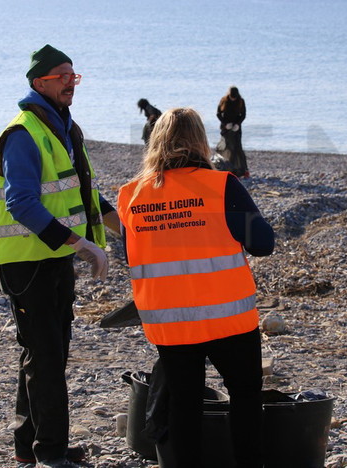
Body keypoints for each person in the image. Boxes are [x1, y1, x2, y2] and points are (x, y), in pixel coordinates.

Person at [0, 44, 120, 468]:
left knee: (46, 354)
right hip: (27, 264)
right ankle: (50, 454)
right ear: (38, 82)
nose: (70, 83)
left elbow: (83, 191)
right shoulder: (23, 133)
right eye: (62, 76)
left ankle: (31, 448)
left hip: (54, 261)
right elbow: (21, 203)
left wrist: (126, 230)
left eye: (74, 76)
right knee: (46, 358)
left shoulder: (63, 127)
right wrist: (79, 244)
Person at [117, 107, 274, 468]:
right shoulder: (221, 186)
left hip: (170, 322)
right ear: (200, 141)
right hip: (228, 317)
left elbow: (132, 255)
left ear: (156, 141)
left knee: (184, 404)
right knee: (245, 397)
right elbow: (263, 243)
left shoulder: (131, 196)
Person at [216, 86, 248, 178]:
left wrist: (238, 124)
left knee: (237, 147)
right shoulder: (223, 100)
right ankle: (225, 167)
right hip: (226, 127)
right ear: (229, 95)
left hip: (236, 128)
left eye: (235, 98)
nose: (233, 99)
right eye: (232, 98)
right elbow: (218, 113)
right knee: (227, 145)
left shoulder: (241, 101)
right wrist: (225, 124)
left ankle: (241, 169)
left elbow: (243, 114)